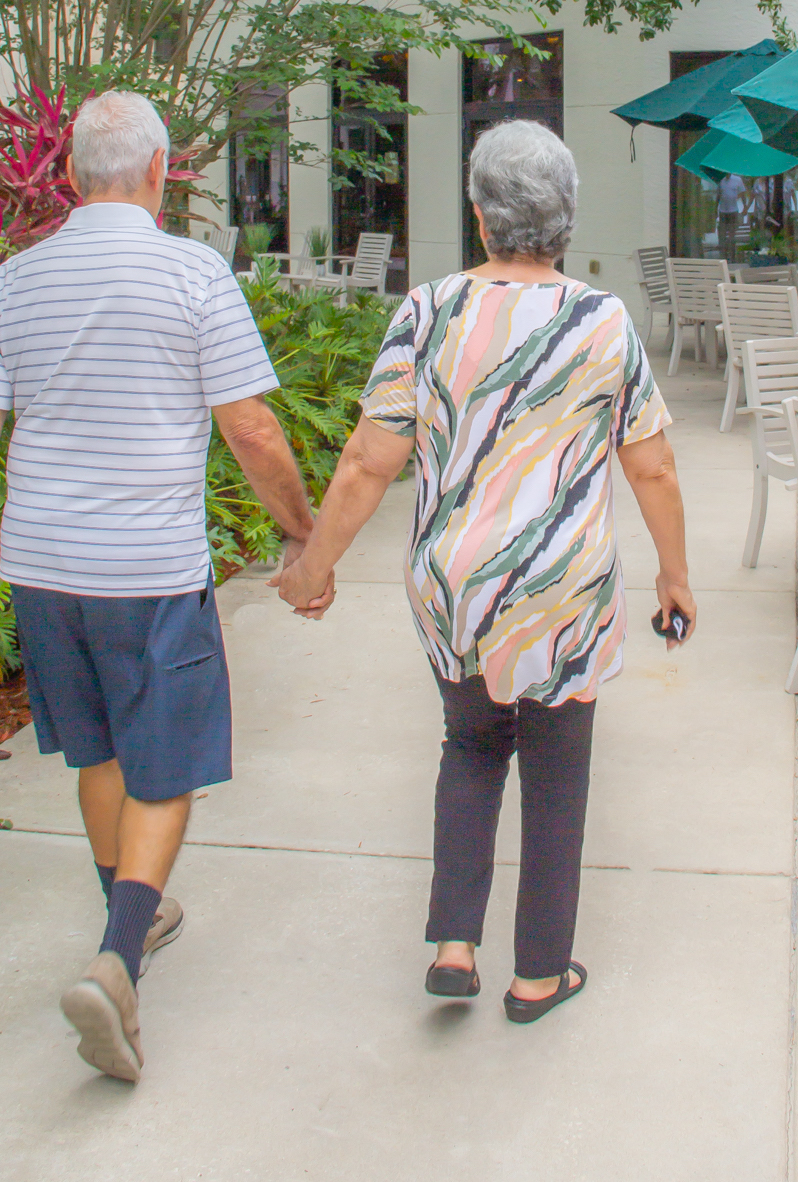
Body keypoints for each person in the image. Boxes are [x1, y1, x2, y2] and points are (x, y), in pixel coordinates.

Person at [0, 91, 330, 1084]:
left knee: (95, 749)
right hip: (149, 570)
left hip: (44, 568)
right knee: (166, 761)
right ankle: (118, 950)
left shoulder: (15, 280)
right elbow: (253, 430)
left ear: (66, 177)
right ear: (160, 169)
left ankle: (128, 915)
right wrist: (304, 537)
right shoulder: (193, 273)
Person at [275, 119, 695, 1023]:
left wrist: (315, 564)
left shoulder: (424, 312)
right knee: (556, 771)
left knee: (468, 744)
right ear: (566, 217)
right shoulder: (601, 320)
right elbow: (651, 465)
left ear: (479, 217)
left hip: (453, 587)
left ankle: (454, 945)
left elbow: (365, 462)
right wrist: (674, 574)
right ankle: (538, 973)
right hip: (563, 591)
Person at [717, 173, 744, 259]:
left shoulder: (737, 180)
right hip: (723, 211)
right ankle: (724, 254)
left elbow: (743, 193)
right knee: (723, 234)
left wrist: (745, 206)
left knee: (732, 234)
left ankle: (732, 254)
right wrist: (715, 209)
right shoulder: (720, 180)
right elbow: (718, 195)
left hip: (733, 211)